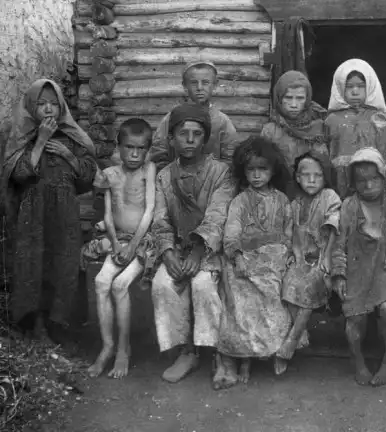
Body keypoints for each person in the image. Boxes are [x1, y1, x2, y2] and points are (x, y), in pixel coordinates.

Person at [2, 79, 97, 342]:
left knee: (63, 264)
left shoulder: (72, 137)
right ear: (31, 107)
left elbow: (87, 176)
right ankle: (34, 325)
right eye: (41, 104)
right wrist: (41, 141)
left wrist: (69, 156)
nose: (48, 109)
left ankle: (60, 326)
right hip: (32, 216)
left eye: (54, 104)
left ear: (61, 107)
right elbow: (19, 175)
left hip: (64, 215)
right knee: (33, 265)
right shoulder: (21, 137)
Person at [150, 103, 236, 384]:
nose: (189, 140)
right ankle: (186, 351)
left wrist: (199, 251)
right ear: (171, 139)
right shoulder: (164, 176)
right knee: (163, 284)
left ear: (205, 138)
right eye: (182, 134)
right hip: (177, 248)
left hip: (210, 249)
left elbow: (218, 215)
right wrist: (167, 252)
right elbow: (160, 218)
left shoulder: (221, 173)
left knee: (202, 284)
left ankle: (216, 350)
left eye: (197, 134)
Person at [82, 119, 157, 379]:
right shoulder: (109, 174)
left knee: (119, 284)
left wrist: (133, 246)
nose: (134, 154)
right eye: (129, 147)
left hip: (143, 241)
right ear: (119, 147)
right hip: (119, 241)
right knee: (101, 281)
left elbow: (149, 210)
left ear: (147, 150)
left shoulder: (149, 170)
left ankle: (124, 349)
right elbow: (108, 214)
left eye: (140, 148)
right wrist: (114, 244)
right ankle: (107, 347)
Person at [216, 136, 294, 387]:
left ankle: (272, 350)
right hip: (245, 258)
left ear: (273, 171)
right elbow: (231, 233)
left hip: (274, 260)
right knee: (238, 291)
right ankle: (244, 356)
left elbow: (289, 232)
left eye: (263, 169)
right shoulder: (240, 201)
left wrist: (287, 254)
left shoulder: (282, 200)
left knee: (271, 290)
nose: (257, 175)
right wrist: (237, 256)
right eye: (251, 170)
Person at [331, 147, 386, 387]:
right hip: (356, 269)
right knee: (355, 317)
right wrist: (339, 275)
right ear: (353, 182)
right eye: (361, 180)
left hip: (384, 267)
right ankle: (357, 359)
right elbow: (338, 244)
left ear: (383, 177)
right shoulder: (349, 206)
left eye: (374, 179)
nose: (368, 185)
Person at [278, 151, 341, 361]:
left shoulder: (329, 197)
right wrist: (294, 255)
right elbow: (292, 233)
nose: (312, 180)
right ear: (297, 177)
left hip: (325, 256)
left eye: (318, 175)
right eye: (306, 175)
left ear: (325, 177)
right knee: (287, 282)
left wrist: (327, 257)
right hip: (303, 258)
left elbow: (334, 228)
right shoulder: (295, 204)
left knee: (308, 286)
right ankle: (302, 332)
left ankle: (292, 340)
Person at [325, 59, 386, 200]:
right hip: (339, 191)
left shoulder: (378, 120)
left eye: (361, 86)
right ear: (339, 87)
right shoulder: (331, 121)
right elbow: (324, 160)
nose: (355, 91)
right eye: (349, 86)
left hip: (373, 190)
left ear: (370, 86)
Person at [150, 60, 240, 171]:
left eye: (205, 82)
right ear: (185, 86)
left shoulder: (222, 121)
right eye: (193, 83)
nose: (199, 88)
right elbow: (159, 152)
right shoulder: (171, 118)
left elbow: (230, 158)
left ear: (215, 84)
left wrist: (216, 177)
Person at [261, 71, 329, 198]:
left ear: (307, 99)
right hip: (280, 195)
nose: (293, 105)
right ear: (279, 98)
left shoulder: (319, 126)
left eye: (300, 98)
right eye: (288, 98)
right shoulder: (270, 131)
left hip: (314, 195)